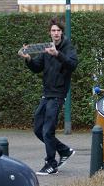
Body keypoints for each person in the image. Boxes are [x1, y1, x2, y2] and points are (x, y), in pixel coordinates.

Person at [19, 18, 78, 175]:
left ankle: (51, 165)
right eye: (53, 31)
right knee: (38, 129)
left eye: (58, 30)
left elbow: (73, 65)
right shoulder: (46, 48)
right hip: (47, 93)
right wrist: (28, 59)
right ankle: (64, 150)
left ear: (61, 32)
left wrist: (57, 54)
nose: (56, 33)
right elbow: (37, 67)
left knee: (48, 130)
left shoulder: (68, 47)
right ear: (50, 33)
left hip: (58, 94)